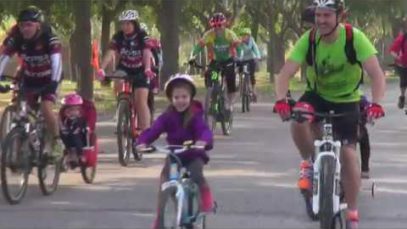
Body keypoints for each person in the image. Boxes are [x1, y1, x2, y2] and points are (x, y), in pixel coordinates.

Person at [273, 0, 385, 227]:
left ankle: (352, 213)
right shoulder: (310, 39)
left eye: (327, 15)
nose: (321, 21)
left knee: (348, 154)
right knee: (297, 119)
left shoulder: (355, 38)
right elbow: (285, 73)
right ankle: (309, 163)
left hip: (347, 100)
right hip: (317, 97)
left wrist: (376, 103)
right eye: (318, 15)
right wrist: (281, 100)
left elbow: (377, 75)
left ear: (339, 16)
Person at [136, 74, 214, 229]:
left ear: (190, 97)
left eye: (184, 97)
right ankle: (160, 220)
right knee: (165, 182)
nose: (180, 100)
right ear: (171, 98)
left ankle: (206, 198)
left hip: (193, 154)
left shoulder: (196, 115)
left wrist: (202, 141)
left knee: (196, 174)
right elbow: (153, 131)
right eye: (176, 97)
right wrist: (142, 142)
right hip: (174, 154)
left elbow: (204, 131)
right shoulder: (167, 116)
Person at [0, 6, 63, 155]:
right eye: (22, 25)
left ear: (38, 26)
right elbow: (3, 58)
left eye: (29, 25)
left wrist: (54, 83)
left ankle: (56, 142)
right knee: (20, 105)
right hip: (29, 77)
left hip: (50, 78)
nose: (25, 29)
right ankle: (20, 141)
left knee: (46, 107)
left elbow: (57, 62)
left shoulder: (49, 38)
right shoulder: (16, 38)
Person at [97, 10, 155, 131]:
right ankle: (122, 107)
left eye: (128, 24)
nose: (125, 27)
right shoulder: (118, 36)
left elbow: (146, 52)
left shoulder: (142, 35)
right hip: (124, 68)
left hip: (141, 69)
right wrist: (101, 68)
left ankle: (146, 134)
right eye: (123, 24)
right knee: (118, 80)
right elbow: (110, 53)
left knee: (141, 102)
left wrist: (148, 68)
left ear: (135, 24)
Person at [190, 12, 240, 115]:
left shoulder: (229, 34)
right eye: (215, 26)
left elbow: (238, 46)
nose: (217, 28)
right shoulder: (209, 35)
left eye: (220, 25)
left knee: (231, 80)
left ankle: (229, 103)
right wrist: (192, 56)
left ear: (224, 24)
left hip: (228, 60)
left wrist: (240, 56)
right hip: (216, 62)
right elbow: (199, 46)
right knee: (212, 77)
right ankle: (213, 98)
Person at [59, 93, 88, 166]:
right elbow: (62, 126)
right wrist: (62, 128)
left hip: (78, 136)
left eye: (74, 110)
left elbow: (81, 127)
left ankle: (80, 155)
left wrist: (78, 129)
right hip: (67, 136)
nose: (71, 112)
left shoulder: (80, 120)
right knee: (61, 137)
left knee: (75, 138)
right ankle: (66, 155)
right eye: (69, 110)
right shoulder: (65, 120)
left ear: (78, 110)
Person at [238, 28, 261, 102]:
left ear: (249, 36)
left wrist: (258, 57)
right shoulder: (239, 42)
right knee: (240, 72)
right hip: (242, 60)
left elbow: (256, 49)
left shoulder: (252, 41)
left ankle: (253, 90)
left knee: (252, 75)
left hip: (251, 59)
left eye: (246, 35)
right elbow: (238, 51)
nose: (244, 37)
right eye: (242, 35)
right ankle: (242, 86)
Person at [389, 16, 407, 109]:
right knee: (404, 82)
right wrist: (398, 57)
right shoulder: (402, 38)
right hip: (403, 65)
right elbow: (392, 51)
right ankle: (403, 97)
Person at [359, 95, 371, 179]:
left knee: (364, 142)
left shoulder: (361, 98)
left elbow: (368, 108)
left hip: (358, 123)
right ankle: (365, 169)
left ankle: (365, 168)